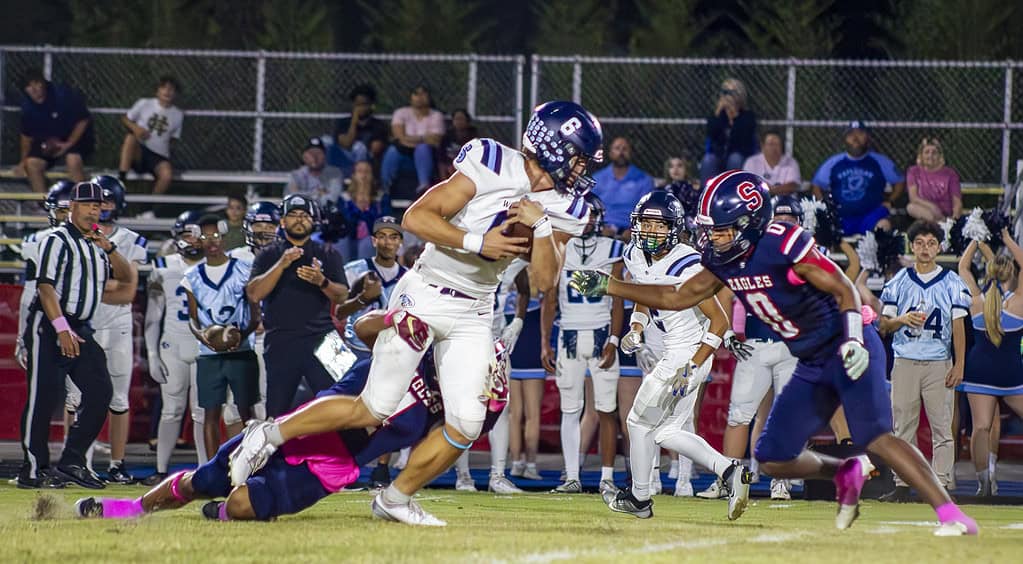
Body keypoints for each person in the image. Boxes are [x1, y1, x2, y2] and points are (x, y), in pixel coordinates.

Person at [229, 100, 603, 526]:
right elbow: (417, 217)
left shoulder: (570, 206)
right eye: (577, 157)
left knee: (467, 422)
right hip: (426, 290)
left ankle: (395, 497)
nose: (580, 170)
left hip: (475, 310)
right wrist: (479, 243)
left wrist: (540, 227)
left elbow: (544, 282)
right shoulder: (492, 161)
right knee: (373, 407)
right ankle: (268, 433)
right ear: (553, 147)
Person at [569, 170, 978, 536]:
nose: (711, 238)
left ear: (747, 224)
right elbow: (678, 296)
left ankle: (950, 513)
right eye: (709, 229)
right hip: (811, 357)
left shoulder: (785, 243)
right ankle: (846, 471)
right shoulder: (719, 258)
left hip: (849, 340)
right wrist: (611, 286)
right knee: (771, 458)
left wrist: (854, 338)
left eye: (721, 230)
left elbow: (844, 290)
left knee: (877, 435)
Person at [73, 311, 509, 522]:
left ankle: (221, 516)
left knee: (243, 504)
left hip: (332, 465)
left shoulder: (457, 405)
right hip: (302, 428)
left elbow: (452, 442)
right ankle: (130, 508)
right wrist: (397, 319)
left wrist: (483, 410)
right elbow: (362, 328)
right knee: (203, 481)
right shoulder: (421, 341)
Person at [599, 190, 749, 520]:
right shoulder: (635, 254)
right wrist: (636, 327)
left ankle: (639, 499)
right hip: (676, 351)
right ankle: (729, 472)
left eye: (659, 225)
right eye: (646, 224)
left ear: (674, 228)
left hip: (688, 353)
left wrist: (692, 365)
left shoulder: (689, 262)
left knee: (638, 422)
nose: (651, 231)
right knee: (665, 431)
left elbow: (720, 319)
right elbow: (645, 292)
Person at [18, 181, 133, 489]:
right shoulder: (57, 239)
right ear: (72, 207)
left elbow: (126, 277)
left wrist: (108, 246)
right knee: (43, 397)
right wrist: (61, 329)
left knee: (100, 391)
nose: (93, 210)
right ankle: (33, 469)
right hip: (50, 324)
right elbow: (45, 287)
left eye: (98, 206)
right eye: (87, 205)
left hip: (80, 326)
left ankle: (71, 460)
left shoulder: (94, 245)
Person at [701, 194, 801, 502]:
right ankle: (728, 478)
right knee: (738, 415)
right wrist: (729, 331)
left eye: (790, 220)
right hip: (755, 344)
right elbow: (725, 293)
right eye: (779, 219)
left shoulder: (805, 254)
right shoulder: (752, 252)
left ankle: (780, 481)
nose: (784, 224)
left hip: (790, 346)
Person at [876, 220, 969, 501]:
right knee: (903, 425)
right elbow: (883, 325)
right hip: (905, 359)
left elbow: (958, 327)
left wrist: (959, 363)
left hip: (938, 362)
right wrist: (901, 319)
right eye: (919, 243)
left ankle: (940, 482)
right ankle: (903, 483)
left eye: (931, 243)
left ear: (939, 247)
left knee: (942, 426)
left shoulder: (952, 281)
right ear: (912, 246)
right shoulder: (899, 280)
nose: (925, 248)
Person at [543, 194, 624, 495]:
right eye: (583, 215)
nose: (588, 221)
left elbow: (618, 300)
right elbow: (549, 300)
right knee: (570, 409)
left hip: (601, 331)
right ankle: (572, 475)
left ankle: (606, 477)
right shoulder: (558, 247)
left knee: (606, 409)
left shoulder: (613, 248)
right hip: (569, 334)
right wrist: (544, 343)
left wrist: (614, 339)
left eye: (591, 215)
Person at [246, 194, 349, 417]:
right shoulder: (268, 254)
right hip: (281, 339)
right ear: (282, 222)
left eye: (305, 215)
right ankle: (275, 454)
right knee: (276, 413)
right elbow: (254, 294)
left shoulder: (329, 253)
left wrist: (321, 281)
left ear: (314, 221)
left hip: (326, 338)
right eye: (293, 215)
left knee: (345, 406)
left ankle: (356, 452)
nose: (299, 220)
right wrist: (282, 264)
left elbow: (342, 296)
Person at [75, 175, 147, 484]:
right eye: (94, 202)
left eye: (105, 201)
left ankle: (117, 464)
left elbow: (128, 290)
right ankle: (77, 461)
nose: (100, 208)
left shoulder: (131, 240)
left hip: (116, 323)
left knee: (118, 399)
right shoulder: (72, 235)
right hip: (83, 321)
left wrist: (90, 288)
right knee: (75, 398)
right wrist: (106, 286)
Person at [182, 215, 261, 459]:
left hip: (242, 351)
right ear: (197, 239)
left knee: (247, 412)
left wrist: (240, 336)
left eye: (215, 235)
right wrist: (203, 337)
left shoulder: (245, 269)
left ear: (224, 235)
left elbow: (256, 314)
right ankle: (211, 469)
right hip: (209, 355)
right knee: (210, 413)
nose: (211, 241)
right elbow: (193, 319)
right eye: (205, 237)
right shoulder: (192, 276)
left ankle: (252, 463)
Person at [142, 210, 207, 485]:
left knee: (202, 412)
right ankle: (160, 469)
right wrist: (153, 354)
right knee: (171, 410)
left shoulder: (218, 265)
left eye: (196, 234)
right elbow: (152, 315)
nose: (191, 240)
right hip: (172, 342)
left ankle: (206, 470)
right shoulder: (162, 266)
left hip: (205, 345)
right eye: (187, 234)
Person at [957, 230, 1023, 496]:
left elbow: (963, 266)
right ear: (1012, 275)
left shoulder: (976, 299)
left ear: (989, 275)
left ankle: (983, 483)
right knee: (985, 427)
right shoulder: (1019, 302)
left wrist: (975, 238)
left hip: (979, 373)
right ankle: (987, 479)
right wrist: (1006, 239)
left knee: (981, 427)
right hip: (1012, 375)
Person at [16, 181, 74, 370]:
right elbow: (30, 292)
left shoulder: (98, 242)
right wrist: (22, 335)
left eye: (69, 211)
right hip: (50, 321)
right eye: (61, 211)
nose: (66, 218)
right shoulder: (40, 241)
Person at [812, 121, 905, 234]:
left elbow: (899, 182)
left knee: (883, 223)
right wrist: (823, 204)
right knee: (822, 224)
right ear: (845, 139)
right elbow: (817, 185)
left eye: (860, 134)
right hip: (841, 217)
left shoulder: (880, 161)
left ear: (868, 137)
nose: (855, 138)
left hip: (871, 215)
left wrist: (890, 201)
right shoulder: (834, 162)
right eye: (851, 135)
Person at [336, 216, 408, 361]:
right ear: (374, 241)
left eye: (393, 237)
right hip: (356, 349)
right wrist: (363, 299)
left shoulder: (410, 278)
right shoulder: (353, 270)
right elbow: (338, 313)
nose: (387, 243)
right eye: (382, 237)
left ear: (400, 242)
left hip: (391, 353)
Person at [14, 69, 94, 193]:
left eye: (36, 83)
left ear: (43, 83)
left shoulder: (62, 95)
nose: (33, 89)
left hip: (73, 140)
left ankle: (83, 203)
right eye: (29, 86)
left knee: (73, 159)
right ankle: (44, 206)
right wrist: (23, 161)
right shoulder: (27, 107)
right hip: (49, 144)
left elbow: (83, 120)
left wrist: (69, 143)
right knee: (32, 163)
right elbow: (26, 137)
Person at [118, 75, 183, 194]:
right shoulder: (144, 103)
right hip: (141, 151)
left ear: (175, 94)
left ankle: (148, 207)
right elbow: (125, 118)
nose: (167, 92)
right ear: (157, 91)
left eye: (171, 89)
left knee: (166, 175)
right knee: (130, 138)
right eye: (164, 88)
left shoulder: (178, 114)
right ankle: (121, 180)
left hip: (159, 155)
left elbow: (174, 138)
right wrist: (136, 128)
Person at [380, 85, 445, 193]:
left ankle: (423, 186)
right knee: (393, 150)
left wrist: (409, 139)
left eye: (423, 93)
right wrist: (423, 138)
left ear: (429, 97)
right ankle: (385, 188)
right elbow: (399, 136)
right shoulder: (400, 113)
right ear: (411, 97)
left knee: (422, 148)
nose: (419, 97)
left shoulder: (436, 116)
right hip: (404, 155)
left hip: (427, 157)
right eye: (416, 94)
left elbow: (436, 140)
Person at [590, 137, 655, 238]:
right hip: (602, 230)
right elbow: (589, 208)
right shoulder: (597, 178)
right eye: (617, 148)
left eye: (625, 149)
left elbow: (647, 212)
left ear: (631, 153)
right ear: (610, 153)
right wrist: (599, 228)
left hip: (630, 232)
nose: (621, 152)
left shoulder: (644, 180)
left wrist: (633, 230)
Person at [699, 78, 758, 184]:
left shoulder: (747, 116)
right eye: (724, 92)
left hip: (741, 155)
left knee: (734, 159)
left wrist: (734, 116)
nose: (727, 96)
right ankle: (706, 195)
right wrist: (718, 112)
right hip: (719, 155)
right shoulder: (717, 116)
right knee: (708, 160)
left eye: (730, 92)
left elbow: (743, 138)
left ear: (740, 94)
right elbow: (711, 134)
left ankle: (733, 193)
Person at [331, 83, 390, 174]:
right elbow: (346, 144)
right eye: (357, 104)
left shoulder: (378, 125)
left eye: (364, 104)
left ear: (371, 105)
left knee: (359, 148)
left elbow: (375, 150)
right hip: (345, 158)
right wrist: (354, 122)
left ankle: (357, 175)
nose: (360, 108)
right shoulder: (344, 122)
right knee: (325, 140)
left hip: (367, 162)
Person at [340, 161, 389, 260]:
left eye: (367, 172)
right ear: (353, 175)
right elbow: (345, 223)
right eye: (360, 171)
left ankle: (365, 274)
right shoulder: (344, 198)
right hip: (350, 237)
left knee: (367, 242)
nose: (364, 175)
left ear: (372, 176)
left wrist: (366, 208)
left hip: (373, 238)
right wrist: (358, 206)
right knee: (341, 241)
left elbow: (383, 223)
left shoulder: (381, 197)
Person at [905, 137, 962, 222]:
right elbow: (913, 198)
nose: (930, 156)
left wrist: (954, 221)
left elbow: (957, 202)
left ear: (940, 156)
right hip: (924, 214)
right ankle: (940, 223)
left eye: (934, 153)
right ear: (921, 155)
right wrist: (932, 207)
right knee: (911, 207)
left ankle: (944, 225)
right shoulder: (913, 171)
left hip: (946, 215)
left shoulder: (950, 174)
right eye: (927, 152)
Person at [286, 137, 345, 209]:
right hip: (303, 215)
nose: (315, 157)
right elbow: (291, 197)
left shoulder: (335, 174)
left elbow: (332, 199)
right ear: (304, 156)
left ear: (325, 156)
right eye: (311, 153)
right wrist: (317, 193)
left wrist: (302, 195)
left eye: (318, 153)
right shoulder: (296, 175)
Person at [742, 130, 801, 195]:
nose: (774, 148)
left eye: (777, 144)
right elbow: (747, 183)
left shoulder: (791, 162)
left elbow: (793, 185)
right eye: (771, 144)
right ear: (762, 146)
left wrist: (771, 190)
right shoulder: (752, 162)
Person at [439, 109, 480, 178]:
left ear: (467, 121)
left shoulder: (473, 137)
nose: (459, 122)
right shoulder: (447, 136)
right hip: (449, 167)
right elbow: (441, 158)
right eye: (456, 119)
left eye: (461, 119)